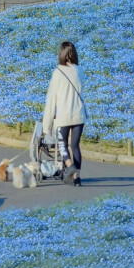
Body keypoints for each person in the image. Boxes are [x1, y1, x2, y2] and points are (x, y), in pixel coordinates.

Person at [42, 40, 88, 186]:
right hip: (79, 115)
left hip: (63, 116)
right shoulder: (79, 70)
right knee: (75, 146)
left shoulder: (57, 73)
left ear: (61, 54)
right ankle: (77, 178)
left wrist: (46, 127)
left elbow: (51, 101)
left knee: (63, 146)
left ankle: (71, 167)